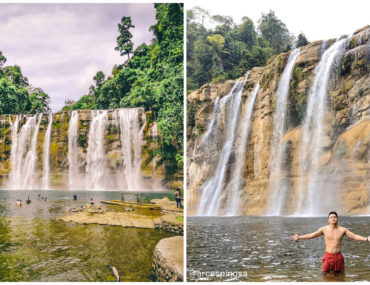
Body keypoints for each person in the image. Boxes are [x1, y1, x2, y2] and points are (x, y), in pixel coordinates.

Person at [290, 211, 370, 277]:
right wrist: (299, 237)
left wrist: (366, 239)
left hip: (339, 256)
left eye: (334, 217)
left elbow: (355, 236)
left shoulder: (343, 230)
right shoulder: (324, 229)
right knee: (325, 275)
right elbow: (311, 235)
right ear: (328, 220)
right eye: (331, 217)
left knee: (340, 276)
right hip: (328, 256)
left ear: (337, 219)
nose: (333, 219)